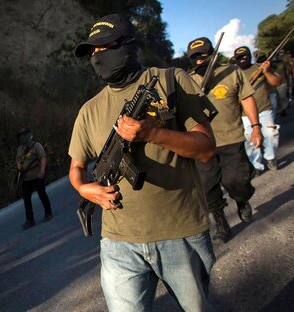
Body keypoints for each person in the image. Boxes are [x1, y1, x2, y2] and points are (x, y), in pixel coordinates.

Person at [70, 14, 217, 311]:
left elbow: (206, 149)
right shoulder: (89, 110)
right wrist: (85, 190)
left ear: (128, 45)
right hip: (118, 243)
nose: (98, 57)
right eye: (92, 52)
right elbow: (75, 168)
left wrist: (154, 133)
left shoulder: (170, 81)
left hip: (180, 232)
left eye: (104, 47)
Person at [186, 37, 263, 244]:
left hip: (231, 138)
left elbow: (247, 98)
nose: (200, 60)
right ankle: (221, 224)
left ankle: (241, 198)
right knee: (207, 187)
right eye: (195, 57)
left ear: (213, 54)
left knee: (236, 181)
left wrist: (256, 127)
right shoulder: (187, 79)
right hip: (202, 143)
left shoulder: (231, 71)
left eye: (203, 54)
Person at [234, 46, 283, 172]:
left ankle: (270, 157)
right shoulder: (233, 74)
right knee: (250, 140)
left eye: (245, 56)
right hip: (245, 115)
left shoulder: (260, 68)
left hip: (264, 109)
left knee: (271, 135)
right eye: (239, 57)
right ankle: (256, 166)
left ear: (250, 56)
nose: (243, 59)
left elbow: (277, 82)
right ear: (235, 59)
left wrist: (266, 72)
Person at [15, 128, 53, 230]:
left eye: (22, 136)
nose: (21, 138)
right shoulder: (20, 148)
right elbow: (18, 160)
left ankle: (48, 213)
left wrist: (42, 171)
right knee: (26, 199)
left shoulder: (36, 146)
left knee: (42, 194)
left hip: (37, 175)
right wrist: (19, 167)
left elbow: (43, 157)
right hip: (26, 178)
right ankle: (30, 220)